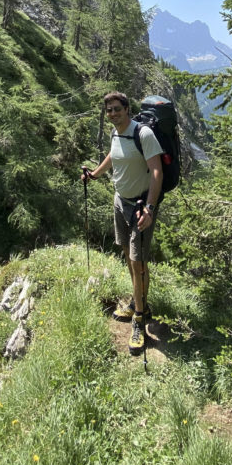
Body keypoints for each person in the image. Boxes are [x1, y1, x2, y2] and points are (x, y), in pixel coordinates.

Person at [82, 91, 163, 355]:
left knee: (138, 262)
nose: (113, 114)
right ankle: (139, 303)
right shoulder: (116, 133)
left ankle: (139, 319)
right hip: (120, 202)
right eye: (109, 110)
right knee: (129, 256)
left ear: (127, 109)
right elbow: (113, 155)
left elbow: (157, 171)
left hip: (140, 208)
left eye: (117, 109)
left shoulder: (143, 134)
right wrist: (94, 174)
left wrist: (150, 208)